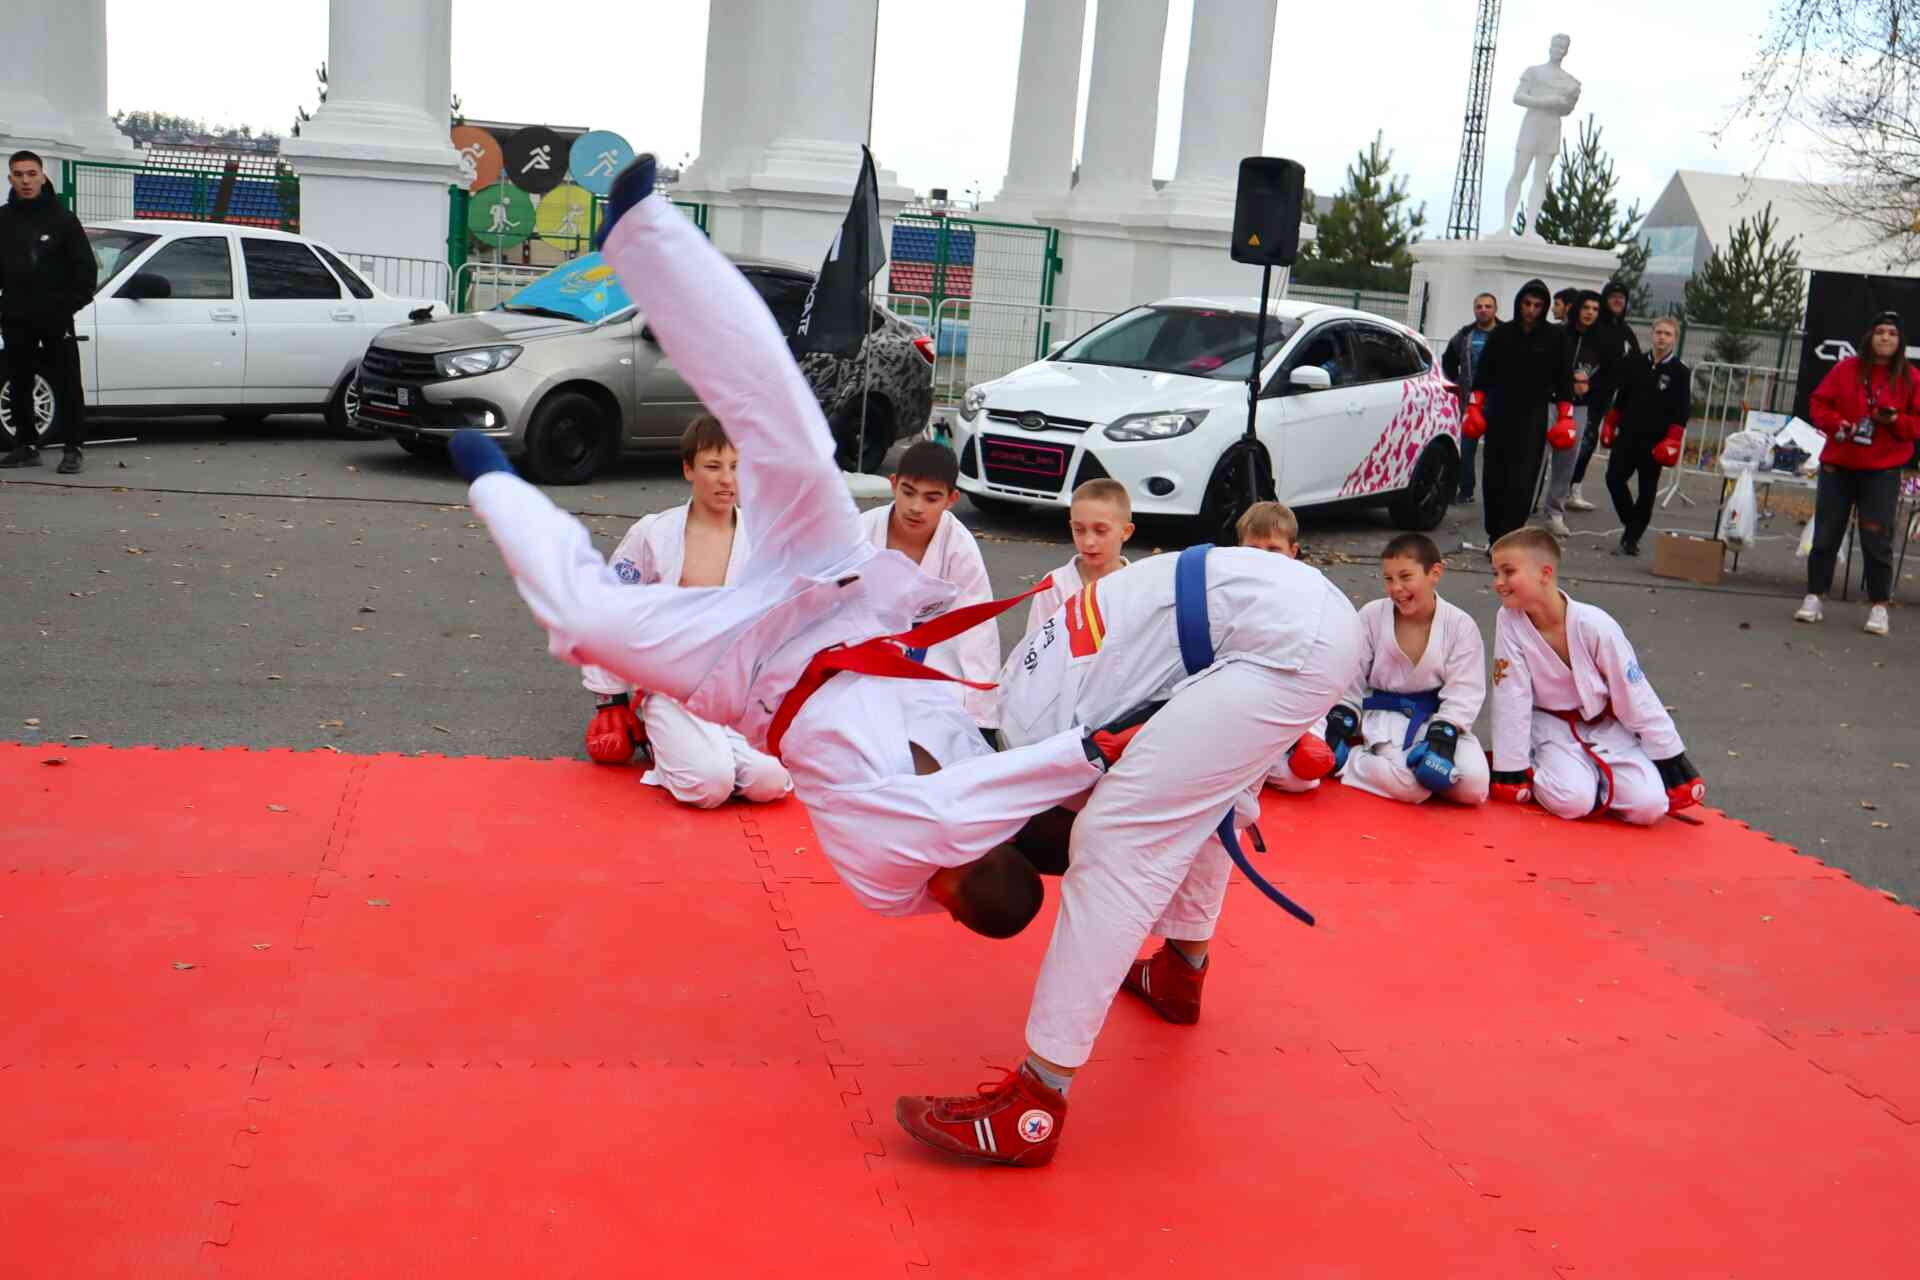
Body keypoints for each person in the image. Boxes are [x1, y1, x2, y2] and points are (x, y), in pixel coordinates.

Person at [459, 157, 1114, 938]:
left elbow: (976, 811)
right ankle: (643, 233)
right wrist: (1103, 763)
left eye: (963, 858)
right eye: (991, 835)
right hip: (834, 595)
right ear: (1006, 828)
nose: (963, 843)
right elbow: (1031, 776)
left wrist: (1087, 757)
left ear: (946, 891)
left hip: (748, 668)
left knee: (583, 618)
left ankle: (494, 485)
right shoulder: (984, 772)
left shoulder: (891, 863)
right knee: (787, 426)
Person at [899, 521, 1362, 1167]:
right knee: (1187, 796)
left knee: (1114, 842)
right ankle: (1180, 970)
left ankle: (1034, 1102)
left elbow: (1111, 823)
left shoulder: (1037, 732)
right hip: (1282, 611)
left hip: (1277, 643)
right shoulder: (1024, 706)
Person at [579, 416, 793, 809]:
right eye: (713, 466)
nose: (727, 479)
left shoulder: (763, 540)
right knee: (710, 786)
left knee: (771, 782)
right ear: (688, 470)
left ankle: (704, 749)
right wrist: (609, 699)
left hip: (735, 690)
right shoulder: (654, 534)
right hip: (671, 685)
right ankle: (659, 739)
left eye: (736, 466)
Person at [1486, 528, 1704, 823]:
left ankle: (1597, 779)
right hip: (1549, 727)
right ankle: (1547, 769)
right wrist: (1511, 766)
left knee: (1649, 806)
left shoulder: (1595, 625)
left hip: (1605, 727)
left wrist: (1669, 754)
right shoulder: (1510, 620)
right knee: (1573, 801)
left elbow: (1634, 692)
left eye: (1507, 572)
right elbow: (1511, 694)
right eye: (1495, 572)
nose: (1498, 582)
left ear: (1544, 573)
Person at [1319, 533, 1490, 806]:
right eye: (1388, 579)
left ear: (1435, 572)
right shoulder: (1372, 616)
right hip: (1385, 715)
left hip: (1435, 716)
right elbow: (1351, 679)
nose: (1396, 588)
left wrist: (1441, 740)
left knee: (1475, 786)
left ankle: (1419, 768)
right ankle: (1351, 762)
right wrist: (1341, 722)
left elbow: (1465, 690)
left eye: (1405, 577)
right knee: (1412, 786)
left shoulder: (1460, 625)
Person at [859, 441, 1000, 732]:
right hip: (864, 640)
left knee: (944, 707)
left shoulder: (959, 546)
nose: (915, 507)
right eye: (908, 492)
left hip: (932, 646)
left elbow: (976, 627)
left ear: (951, 499)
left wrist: (982, 718)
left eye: (931, 498)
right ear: (893, 484)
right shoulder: (861, 531)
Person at [1795, 310, 1918, 636]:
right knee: (1826, 534)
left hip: (1882, 470)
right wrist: (1838, 424)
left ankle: (1879, 606)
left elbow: (1916, 425)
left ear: (1899, 340)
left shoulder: (1911, 378)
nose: (1885, 338)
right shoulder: (1845, 368)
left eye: (1892, 333)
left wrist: (1894, 421)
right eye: (1880, 332)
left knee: (1877, 539)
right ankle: (1814, 596)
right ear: (1870, 336)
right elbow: (1819, 403)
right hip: (1839, 465)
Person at [0, 150, 94, 474]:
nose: (25, 181)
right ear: (10, 178)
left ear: (42, 175)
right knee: (19, 380)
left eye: (31, 173)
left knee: (67, 380)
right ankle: (26, 445)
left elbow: (85, 272)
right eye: (18, 174)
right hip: (15, 317)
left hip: (55, 317)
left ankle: (73, 447)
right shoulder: (3, 219)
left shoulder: (63, 219)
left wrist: (65, 305)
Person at [1463, 279, 1574, 546]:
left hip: (1533, 414)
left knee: (1523, 479)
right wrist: (1474, 406)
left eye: (1537, 305)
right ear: (1519, 303)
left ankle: (1511, 537)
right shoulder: (1502, 334)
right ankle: (1494, 534)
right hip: (1500, 411)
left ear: (1544, 306)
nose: (1531, 310)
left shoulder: (1555, 337)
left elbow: (1563, 379)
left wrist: (1566, 416)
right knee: (1494, 475)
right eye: (1527, 303)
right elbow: (1483, 374)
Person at [1603, 316, 1690, 557]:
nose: (1662, 337)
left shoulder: (1680, 372)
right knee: (1613, 478)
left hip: (1656, 441)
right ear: (1652, 334)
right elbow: (1621, 397)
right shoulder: (1635, 363)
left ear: (1675, 339)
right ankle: (1632, 523)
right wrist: (1610, 423)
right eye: (1659, 332)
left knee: (1647, 490)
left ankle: (1630, 539)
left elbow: (1682, 411)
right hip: (1628, 435)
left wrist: (1673, 439)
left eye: (1668, 334)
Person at [1022, 478, 1133, 640]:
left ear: (1126, 531)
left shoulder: (1138, 585)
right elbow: (1034, 646)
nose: (1088, 542)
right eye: (1079, 529)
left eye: (1100, 530)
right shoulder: (1055, 585)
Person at [1543, 291, 1612, 536]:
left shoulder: (1603, 340)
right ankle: (1522, 505)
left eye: (1595, 308)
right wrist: (1569, 379)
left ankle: (1555, 511)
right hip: (1550, 402)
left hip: (1580, 407)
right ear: (1577, 309)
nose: (1590, 312)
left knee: (1567, 459)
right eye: (1586, 307)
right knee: (1535, 455)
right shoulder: (1557, 333)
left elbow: (1609, 375)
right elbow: (1545, 365)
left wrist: (1590, 386)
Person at [1500, 34, 1583, 238]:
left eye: (1563, 47)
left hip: (1551, 127)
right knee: (1518, 173)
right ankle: (1506, 226)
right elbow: (1518, 97)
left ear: (1566, 51)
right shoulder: (1534, 72)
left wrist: (1564, 101)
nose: (1558, 49)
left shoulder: (1570, 81)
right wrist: (1547, 101)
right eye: (1556, 45)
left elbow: (1567, 109)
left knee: (1540, 178)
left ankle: (1530, 228)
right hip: (1532, 124)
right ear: (1550, 46)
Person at [1442, 292, 1499, 504]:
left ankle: (1495, 493)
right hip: (1470, 402)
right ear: (1474, 309)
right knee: (1465, 449)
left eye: (1488, 306)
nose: (1483, 310)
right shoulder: (1465, 334)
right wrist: (1457, 381)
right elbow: (1448, 359)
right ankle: (1466, 491)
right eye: (1479, 306)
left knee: (1496, 452)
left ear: (1495, 309)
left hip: (1497, 402)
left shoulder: (1506, 333)